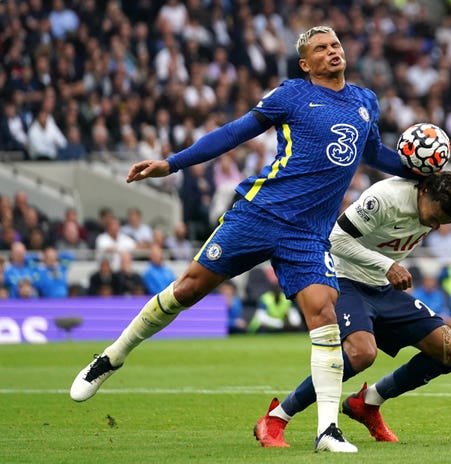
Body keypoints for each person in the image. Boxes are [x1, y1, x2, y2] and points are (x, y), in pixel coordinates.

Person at [70, 25, 421, 453]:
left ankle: (327, 430)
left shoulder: (365, 101)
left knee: (324, 313)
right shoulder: (291, 94)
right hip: (259, 213)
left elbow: (374, 155)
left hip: (308, 233)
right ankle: (112, 356)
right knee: (188, 289)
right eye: (321, 49)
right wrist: (172, 163)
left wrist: (419, 171)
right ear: (305, 64)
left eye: (336, 45)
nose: (332, 51)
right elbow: (234, 132)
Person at [253, 163, 451, 448]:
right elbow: (335, 239)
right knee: (362, 353)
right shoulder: (385, 197)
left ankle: (368, 402)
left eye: (443, 223)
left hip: (380, 285)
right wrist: (387, 265)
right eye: (435, 218)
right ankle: (278, 417)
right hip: (345, 279)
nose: (435, 225)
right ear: (427, 193)